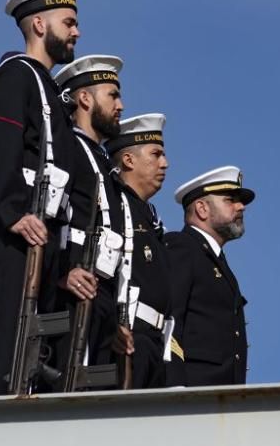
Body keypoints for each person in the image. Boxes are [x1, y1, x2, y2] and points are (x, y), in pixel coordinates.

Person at [0, 0, 81, 395]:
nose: (76, 31)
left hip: (48, 226)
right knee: (9, 323)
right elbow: (2, 146)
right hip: (19, 222)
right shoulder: (15, 76)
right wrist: (14, 210)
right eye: (68, 22)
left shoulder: (50, 91)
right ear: (39, 25)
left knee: (41, 339)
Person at [52, 55, 126, 382]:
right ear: (84, 98)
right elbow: (48, 213)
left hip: (103, 292)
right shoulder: (68, 147)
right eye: (112, 95)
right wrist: (62, 271)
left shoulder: (103, 163)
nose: (121, 105)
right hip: (73, 287)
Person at [104, 114, 177, 388]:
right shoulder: (115, 205)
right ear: (128, 160)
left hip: (156, 344)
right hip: (128, 339)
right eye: (156, 154)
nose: (165, 164)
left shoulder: (150, 217)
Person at [165, 166, 255, 386]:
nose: (241, 206)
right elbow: (170, 319)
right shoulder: (182, 247)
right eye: (230, 200)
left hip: (219, 397)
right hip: (192, 392)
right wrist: (174, 388)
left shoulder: (215, 260)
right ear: (202, 208)